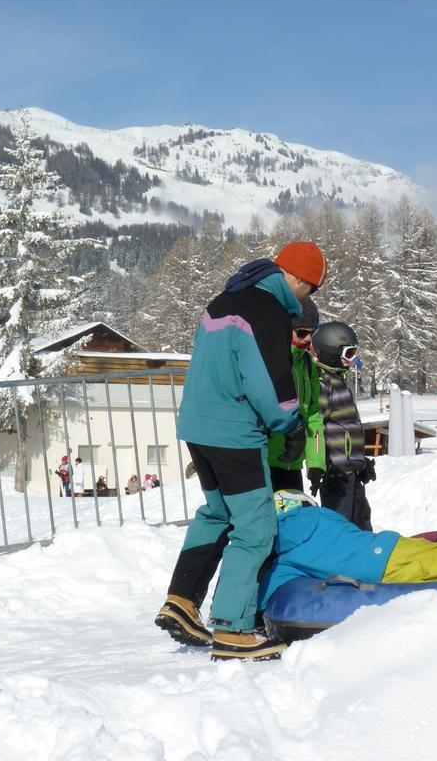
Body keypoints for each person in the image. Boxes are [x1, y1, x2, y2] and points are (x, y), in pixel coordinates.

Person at [155, 240, 327, 662]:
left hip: (198, 424)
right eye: (313, 289)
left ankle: (181, 601)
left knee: (217, 513)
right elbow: (267, 378)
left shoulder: (224, 300)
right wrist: (288, 422)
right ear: (300, 279)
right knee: (255, 527)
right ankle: (233, 629)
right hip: (234, 431)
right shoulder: (266, 309)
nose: (308, 298)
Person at [258, 490, 437, 628]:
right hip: (387, 551)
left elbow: (269, 593)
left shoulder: (281, 554)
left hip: (384, 562)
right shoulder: (320, 516)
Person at [311, 321, 375, 530]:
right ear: (330, 352)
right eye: (349, 353)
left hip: (351, 470)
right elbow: (316, 427)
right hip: (336, 472)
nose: (352, 360)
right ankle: (340, 561)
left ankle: (364, 558)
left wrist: (360, 461)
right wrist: (319, 465)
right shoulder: (323, 383)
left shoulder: (338, 381)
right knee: (340, 525)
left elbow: (345, 429)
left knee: (361, 519)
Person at [266, 298, 324, 494]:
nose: (308, 339)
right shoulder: (269, 359)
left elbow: (314, 415)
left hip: (294, 466)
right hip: (268, 464)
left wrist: (316, 462)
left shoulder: (308, 364)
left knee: (296, 520)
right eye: (301, 332)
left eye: (312, 333)